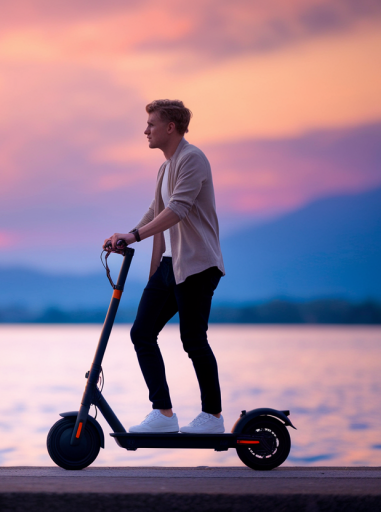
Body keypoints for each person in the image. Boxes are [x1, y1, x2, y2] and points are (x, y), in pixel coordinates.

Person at [104, 99, 226, 434]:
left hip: (198, 265)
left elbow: (177, 209)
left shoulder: (192, 159)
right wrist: (128, 235)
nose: (146, 130)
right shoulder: (165, 167)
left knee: (192, 340)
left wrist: (137, 235)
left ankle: (213, 417)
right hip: (171, 265)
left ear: (170, 127)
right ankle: (163, 413)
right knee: (141, 332)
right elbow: (156, 209)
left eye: (151, 124)